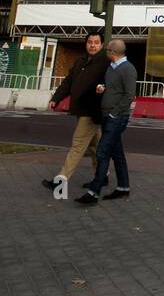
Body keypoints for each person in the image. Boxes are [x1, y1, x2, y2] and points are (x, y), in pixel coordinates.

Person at [42, 32, 110, 191]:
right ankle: (103, 176)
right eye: (90, 42)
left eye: (96, 42)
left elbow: (109, 84)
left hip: (92, 111)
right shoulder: (80, 61)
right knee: (95, 146)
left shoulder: (105, 62)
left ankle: (61, 179)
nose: (92, 45)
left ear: (102, 45)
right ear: (86, 44)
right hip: (81, 109)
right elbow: (68, 82)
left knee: (78, 145)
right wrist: (56, 98)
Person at [77, 40, 138, 204]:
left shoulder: (128, 69)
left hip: (116, 118)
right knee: (117, 154)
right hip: (107, 116)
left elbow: (129, 95)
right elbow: (112, 87)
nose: (105, 52)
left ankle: (93, 192)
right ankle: (123, 188)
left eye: (107, 50)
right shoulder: (111, 68)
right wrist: (102, 88)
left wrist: (114, 114)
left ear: (113, 52)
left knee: (102, 153)